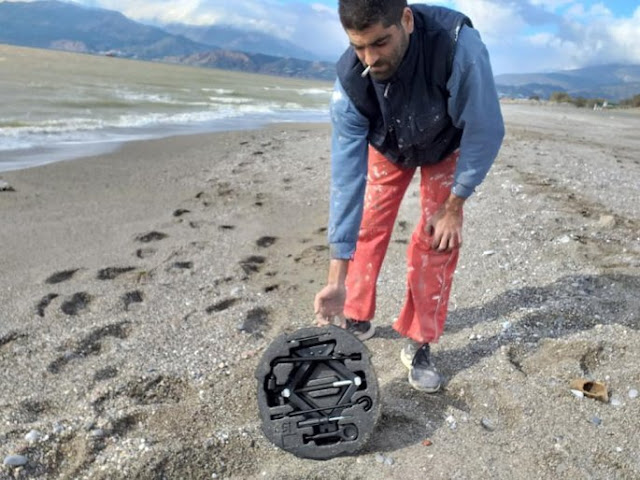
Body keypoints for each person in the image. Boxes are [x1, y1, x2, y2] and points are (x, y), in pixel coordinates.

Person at [313, 0, 505, 393]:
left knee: (438, 239)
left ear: (406, 20)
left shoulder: (459, 47)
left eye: (380, 43)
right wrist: (336, 278)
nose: (370, 59)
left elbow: (486, 128)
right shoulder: (349, 82)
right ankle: (354, 312)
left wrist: (455, 205)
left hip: (446, 142)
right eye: (358, 47)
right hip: (389, 143)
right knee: (368, 222)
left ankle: (419, 341)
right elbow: (346, 180)